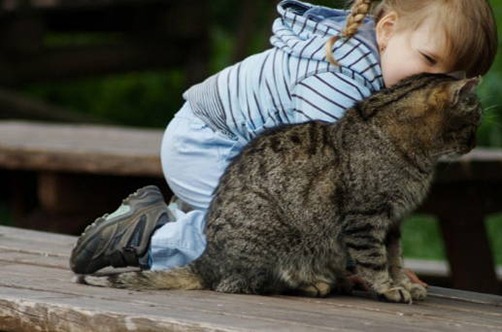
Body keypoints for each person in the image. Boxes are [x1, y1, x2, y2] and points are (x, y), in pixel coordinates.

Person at [70, 0, 498, 287]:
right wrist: (366, 264)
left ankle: (160, 215)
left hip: (227, 141)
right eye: (429, 60)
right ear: (386, 29)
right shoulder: (342, 79)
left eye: (452, 77)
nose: (435, 83)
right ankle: (144, 239)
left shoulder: (374, 66)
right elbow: (321, 186)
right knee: (252, 238)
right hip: (208, 140)